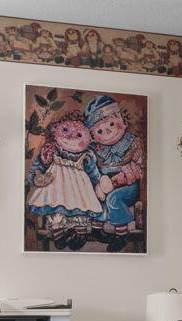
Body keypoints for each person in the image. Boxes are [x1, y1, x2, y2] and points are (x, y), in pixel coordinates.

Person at [27, 112, 106, 247]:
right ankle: (59, 236)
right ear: (55, 130)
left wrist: (99, 185)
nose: (71, 137)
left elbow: (93, 172)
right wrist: (36, 177)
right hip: (56, 188)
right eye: (65, 130)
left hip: (79, 190)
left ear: (89, 139)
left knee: (80, 209)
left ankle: (79, 235)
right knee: (56, 211)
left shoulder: (87, 155)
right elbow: (38, 166)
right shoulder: (50, 149)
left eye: (79, 135)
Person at [85, 94, 145, 243]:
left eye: (111, 124)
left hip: (128, 185)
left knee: (113, 198)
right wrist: (98, 185)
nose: (107, 132)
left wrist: (117, 181)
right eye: (99, 131)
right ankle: (96, 229)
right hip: (102, 184)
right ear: (93, 135)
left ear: (121, 120)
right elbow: (91, 168)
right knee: (96, 196)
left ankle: (121, 235)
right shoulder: (95, 149)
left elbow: (138, 167)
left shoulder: (133, 142)